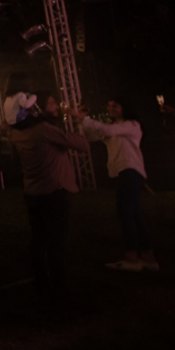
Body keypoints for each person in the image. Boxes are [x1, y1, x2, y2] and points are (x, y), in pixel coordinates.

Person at [8, 93, 88, 298]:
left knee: (38, 239)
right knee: (56, 241)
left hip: (32, 191)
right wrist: (79, 123)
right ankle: (59, 286)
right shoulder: (44, 129)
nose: (56, 107)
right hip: (54, 192)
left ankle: (41, 280)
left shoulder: (15, 133)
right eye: (50, 103)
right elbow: (82, 144)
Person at [68, 99, 159, 272]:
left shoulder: (131, 125)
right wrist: (82, 121)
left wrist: (81, 117)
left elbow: (106, 130)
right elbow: (92, 136)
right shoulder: (116, 127)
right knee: (134, 215)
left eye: (115, 106)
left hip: (130, 172)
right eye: (109, 106)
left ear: (125, 107)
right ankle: (148, 258)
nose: (110, 108)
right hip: (124, 173)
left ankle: (132, 259)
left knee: (126, 214)